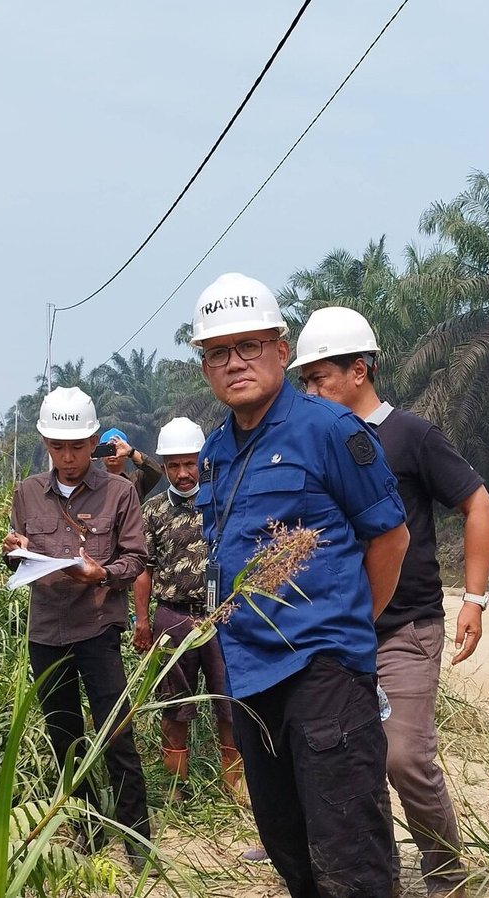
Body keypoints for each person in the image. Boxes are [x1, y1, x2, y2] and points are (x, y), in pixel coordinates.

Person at [190, 271, 410, 898]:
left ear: (282, 351)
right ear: (205, 366)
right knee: (287, 845)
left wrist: (349, 626)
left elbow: (390, 538)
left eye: (250, 346)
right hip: (250, 678)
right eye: (218, 352)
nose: (235, 363)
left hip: (323, 674)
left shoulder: (330, 431)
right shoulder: (213, 452)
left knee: (350, 856)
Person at [291, 306, 489, 897]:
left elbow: (478, 505)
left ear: (360, 369)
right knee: (344, 760)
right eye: (304, 380)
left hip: (405, 626)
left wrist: (475, 599)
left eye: (320, 376)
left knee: (403, 756)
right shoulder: (313, 444)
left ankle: (446, 876)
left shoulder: (410, 436)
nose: (311, 389)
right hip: (334, 629)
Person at [2, 386, 153, 869]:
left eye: (77, 446)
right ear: (46, 442)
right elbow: (18, 563)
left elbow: (136, 559)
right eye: (57, 447)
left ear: (94, 442)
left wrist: (102, 574)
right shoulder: (27, 493)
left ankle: (136, 839)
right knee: (63, 735)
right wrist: (12, 552)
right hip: (45, 630)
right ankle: (87, 830)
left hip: (96, 626)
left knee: (115, 730)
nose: (68, 457)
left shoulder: (120, 491)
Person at [131, 416, 245, 802]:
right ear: (163, 468)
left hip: (221, 617)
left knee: (228, 700)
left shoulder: (223, 503)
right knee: (175, 703)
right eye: (174, 466)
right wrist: (142, 621)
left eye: (190, 463)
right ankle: (176, 787)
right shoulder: (151, 512)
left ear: (204, 461)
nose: (183, 473)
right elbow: (143, 571)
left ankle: (235, 787)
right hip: (172, 617)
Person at [99, 427, 163, 501]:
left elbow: (156, 471)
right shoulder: (94, 481)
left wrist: (131, 452)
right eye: (107, 450)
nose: (112, 455)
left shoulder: (136, 480)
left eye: (117, 449)